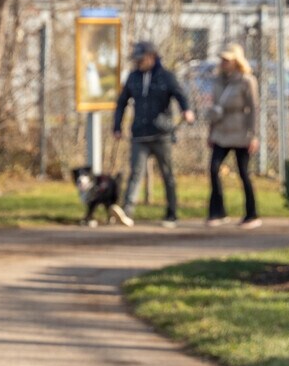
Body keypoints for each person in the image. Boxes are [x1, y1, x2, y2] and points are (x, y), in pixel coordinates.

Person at [111, 40, 193, 228]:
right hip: (139, 133)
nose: (138, 63)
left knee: (167, 174)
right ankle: (127, 212)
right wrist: (117, 126)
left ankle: (171, 213)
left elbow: (180, 95)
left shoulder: (166, 77)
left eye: (141, 59)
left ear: (152, 57)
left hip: (161, 133)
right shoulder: (133, 77)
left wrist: (186, 110)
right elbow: (122, 102)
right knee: (136, 173)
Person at [204, 43, 261, 228]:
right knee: (214, 168)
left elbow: (253, 109)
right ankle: (217, 212)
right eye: (222, 60)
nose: (224, 63)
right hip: (221, 131)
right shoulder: (218, 80)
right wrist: (210, 132)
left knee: (244, 173)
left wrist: (253, 135)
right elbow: (215, 106)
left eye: (227, 60)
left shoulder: (247, 81)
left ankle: (251, 214)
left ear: (237, 62)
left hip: (241, 132)